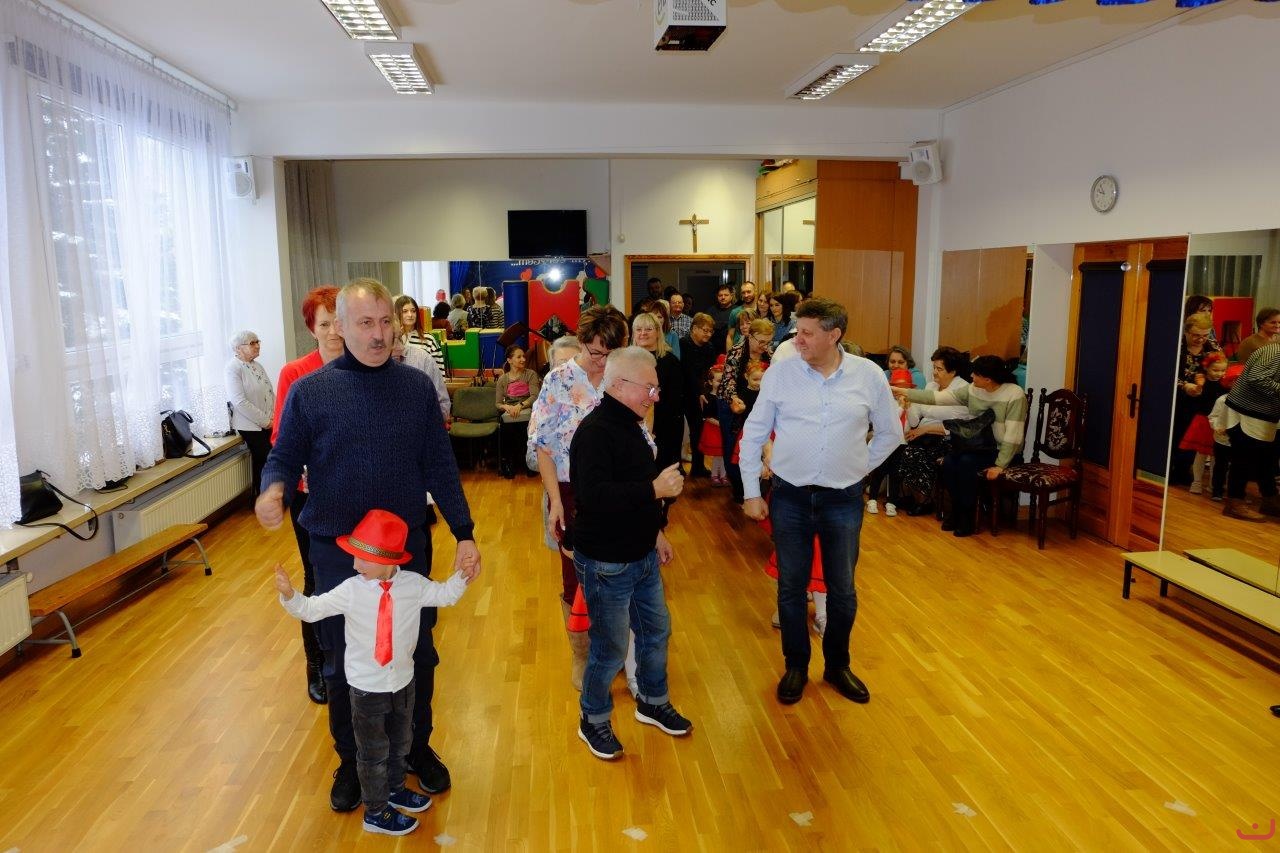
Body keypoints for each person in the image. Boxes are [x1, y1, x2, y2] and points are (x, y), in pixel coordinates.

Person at [258, 278, 482, 811]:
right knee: (343, 661)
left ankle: (415, 749)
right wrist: (274, 488)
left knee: (417, 651)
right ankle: (352, 760)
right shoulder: (311, 391)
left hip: (405, 549)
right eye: (365, 323)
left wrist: (464, 531)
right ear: (339, 326)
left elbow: (440, 465)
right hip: (337, 549)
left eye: (385, 321)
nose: (379, 334)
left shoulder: (415, 389)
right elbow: (284, 456)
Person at [275, 509, 474, 836]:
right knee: (372, 753)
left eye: (362, 559)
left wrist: (462, 576)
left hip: (403, 683)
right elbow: (312, 610)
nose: (354, 565)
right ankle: (376, 811)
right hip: (366, 689)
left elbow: (444, 595)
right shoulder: (351, 590)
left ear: (388, 560)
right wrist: (289, 595)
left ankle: (394, 788)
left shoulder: (412, 585)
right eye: (354, 556)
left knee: (400, 743)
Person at [740, 297, 900, 706]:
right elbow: (755, 432)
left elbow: (889, 433)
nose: (798, 339)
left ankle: (837, 665)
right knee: (791, 588)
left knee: (842, 589)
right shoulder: (782, 373)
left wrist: (860, 468)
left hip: (842, 500)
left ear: (834, 335)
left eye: (808, 333)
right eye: (798, 331)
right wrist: (751, 492)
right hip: (790, 496)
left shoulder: (868, 375)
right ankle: (796, 665)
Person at [570, 346, 690, 760]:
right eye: (649, 388)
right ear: (620, 386)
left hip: (642, 555)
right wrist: (654, 489)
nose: (655, 396)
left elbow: (633, 485)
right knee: (610, 648)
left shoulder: (632, 425)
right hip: (607, 562)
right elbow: (594, 497)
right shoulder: (595, 432)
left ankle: (652, 702)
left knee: (656, 632)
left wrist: (656, 533)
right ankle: (593, 719)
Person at [527, 306, 630, 690]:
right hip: (571, 490)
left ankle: (614, 649)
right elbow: (543, 445)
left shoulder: (623, 377)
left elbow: (642, 432)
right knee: (575, 576)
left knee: (616, 572)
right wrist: (555, 501)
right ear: (582, 342)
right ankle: (582, 653)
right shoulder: (559, 380)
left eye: (609, 353)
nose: (601, 361)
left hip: (618, 489)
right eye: (595, 352)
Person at [273, 285, 344, 706]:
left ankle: (354, 657)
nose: (333, 332)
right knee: (317, 578)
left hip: (355, 492)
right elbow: (282, 437)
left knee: (358, 573)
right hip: (311, 496)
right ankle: (317, 663)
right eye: (324, 324)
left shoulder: (364, 365)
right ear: (311, 329)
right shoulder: (295, 374)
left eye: (339, 322)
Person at [895, 355, 1029, 537]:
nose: (971, 376)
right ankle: (958, 509)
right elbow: (938, 397)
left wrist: (1000, 465)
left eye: (976, 374)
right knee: (950, 463)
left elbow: (1014, 435)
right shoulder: (973, 389)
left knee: (966, 463)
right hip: (979, 446)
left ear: (988, 379)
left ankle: (967, 515)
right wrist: (904, 391)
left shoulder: (1014, 394)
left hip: (1004, 452)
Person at [894, 346, 971, 516]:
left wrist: (925, 429)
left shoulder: (962, 390)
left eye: (939, 369)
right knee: (903, 448)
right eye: (934, 368)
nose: (934, 372)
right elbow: (914, 421)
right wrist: (909, 404)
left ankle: (924, 500)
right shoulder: (931, 386)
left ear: (953, 371)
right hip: (924, 433)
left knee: (917, 452)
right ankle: (911, 496)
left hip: (950, 438)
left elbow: (958, 425)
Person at [715, 316, 773, 504]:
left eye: (768, 342)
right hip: (733, 406)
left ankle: (755, 487)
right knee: (733, 447)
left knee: (757, 446)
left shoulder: (768, 354)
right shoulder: (737, 352)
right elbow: (728, 382)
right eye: (761, 342)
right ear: (750, 336)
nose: (764, 346)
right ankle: (739, 490)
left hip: (756, 406)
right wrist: (734, 399)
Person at [1221, 343, 1280, 522]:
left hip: (1263, 414)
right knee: (1243, 459)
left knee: (1266, 459)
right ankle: (1234, 502)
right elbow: (1256, 377)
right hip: (1245, 411)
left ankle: (1270, 498)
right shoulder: (1274, 351)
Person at [1171, 315, 1222, 485]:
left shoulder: (1212, 346)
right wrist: (1185, 386)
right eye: (1196, 335)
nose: (1201, 339)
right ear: (1186, 331)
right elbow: (1166, 373)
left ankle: (1183, 470)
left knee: (1192, 436)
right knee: (1177, 433)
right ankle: (1171, 470)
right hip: (1178, 398)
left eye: (1205, 335)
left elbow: (1221, 367)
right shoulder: (1176, 345)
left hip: (1203, 399)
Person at [225, 330, 275, 498]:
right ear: (238, 348)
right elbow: (239, 402)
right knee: (267, 458)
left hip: (268, 420)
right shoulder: (233, 368)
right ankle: (264, 499)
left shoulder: (257, 365)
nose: (257, 346)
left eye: (257, 341)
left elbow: (270, 393)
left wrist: (275, 415)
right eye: (252, 343)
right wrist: (265, 421)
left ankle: (268, 498)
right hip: (250, 425)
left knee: (267, 460)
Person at [633, 312, 684, 470]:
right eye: (638, 329)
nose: (643, 333)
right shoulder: (627, 360)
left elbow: (675, 400)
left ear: (657, 332)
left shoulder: (670, 361)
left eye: (648, 329)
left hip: (664, 427)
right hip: (633, 425)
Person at [1178, 352, 1229, 495]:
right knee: (1200, 454)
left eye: (1223, 370)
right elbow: (1196, 392)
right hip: (1203, 421)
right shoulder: (1202, 380)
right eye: (1215, 370)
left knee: (1216, 456)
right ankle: (1197, 482)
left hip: (1218, 422)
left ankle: (1213, 484)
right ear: (1207, 368)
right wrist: (1197, 386)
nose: (1219, 373)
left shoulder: (1224, 384)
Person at [495, 345, 541, 479]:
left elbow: (534, 396)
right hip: (509, 411)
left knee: (525, 427)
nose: (523, 359)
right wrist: (507, 407)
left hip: (526, 408)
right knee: (507, 428)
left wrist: (520, 406)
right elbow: (498, 403)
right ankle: (509, 463)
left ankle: (528, 463)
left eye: (523, 356)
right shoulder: (503, 379)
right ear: (509, 360)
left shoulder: (530, 374)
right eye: (519, 357)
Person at [679, 313, 716, 477]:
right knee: (679, 432)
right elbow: (687, 372)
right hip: (682, 393)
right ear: (694, 328)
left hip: (701, 394)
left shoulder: (710, 347)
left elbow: (709, 372)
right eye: (704, 330)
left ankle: (698, 467)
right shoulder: (683, 344)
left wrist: (704, 391)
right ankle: (677, 466)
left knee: (698, 430)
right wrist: (699, 391)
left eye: (710, 331)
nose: (708, 334)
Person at [395, 295, 445, 375]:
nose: (410, 315)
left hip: (423, 381)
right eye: (405, 311)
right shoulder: (392, 340)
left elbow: (439, 372)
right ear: (397, 313)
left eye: (413, 311)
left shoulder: (428, 339)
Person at [706, 283, 736, 356]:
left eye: (726, 295)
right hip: (712, 350)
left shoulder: (737, 310)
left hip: (732, 349)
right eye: (720, 295)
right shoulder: (711, 311)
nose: (723, 297)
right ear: (717, 296)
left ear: (731, 296)